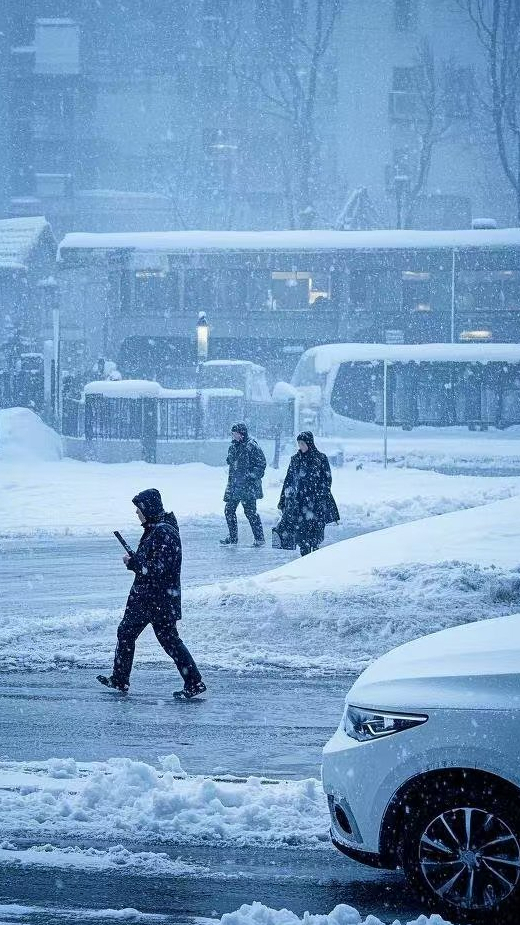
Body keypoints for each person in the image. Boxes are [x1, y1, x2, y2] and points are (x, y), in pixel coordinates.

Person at [97, 488, 206, 699]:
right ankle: (193, 682)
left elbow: (158, 568)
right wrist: (137, 562)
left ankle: (121, 680)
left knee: (140, 635)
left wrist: (134, 563)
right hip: (156, 597)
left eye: (139, 509)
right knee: (161, 638)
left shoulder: (163, 531)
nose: (136, 513)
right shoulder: (156, 529)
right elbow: (154, 564)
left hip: (154, 598)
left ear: (148, 508)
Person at [278, 431, 339, 556]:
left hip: (316, 502)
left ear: (309, 443)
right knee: (302, 532)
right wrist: (283, 499)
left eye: (303, 443)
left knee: (315, 532)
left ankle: (314, 554)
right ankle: (304, 556)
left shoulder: (320, 458)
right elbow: (288, 480)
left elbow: (327, 479)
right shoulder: (295, 459)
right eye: (299, 443)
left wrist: (320, 494)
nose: (300, 446)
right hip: (300, 502)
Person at [221, 422, 266, 547]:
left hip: (248, 487)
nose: (233, 436)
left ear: (242, 434)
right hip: (235, 486)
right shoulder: (233, 446)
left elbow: (261, 464)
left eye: (235, 433)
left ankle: (259, 538)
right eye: (233, 434)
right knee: (229, 510)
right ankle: (233, 537)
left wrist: (251, 476)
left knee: (250, 512)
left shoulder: (252, 446)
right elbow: (231, 462)